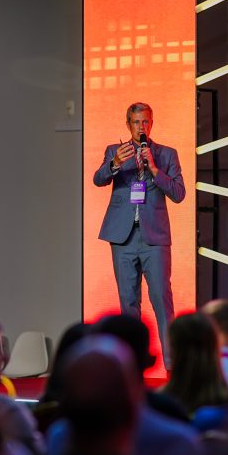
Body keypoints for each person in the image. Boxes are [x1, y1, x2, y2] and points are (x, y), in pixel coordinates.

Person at [93, 102, 186, 368]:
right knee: (128, 302)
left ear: (151, 123)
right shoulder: (115, 150)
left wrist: (154, 169)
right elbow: (98, 179)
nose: (141, 127)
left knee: (161, 299)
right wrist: (115, 163)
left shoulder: (166, 154)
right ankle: (131, 365)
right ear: (128, 124)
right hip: (122, 237)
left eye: (145, 122)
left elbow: (179, 193)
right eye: (136, 122)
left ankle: (172, 366)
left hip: (154, 238)